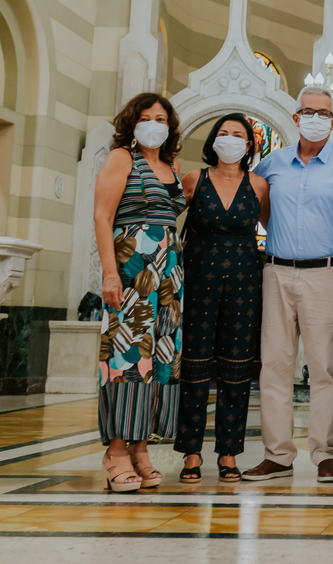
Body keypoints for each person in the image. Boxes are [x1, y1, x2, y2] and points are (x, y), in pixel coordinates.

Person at [241, 86, 333, 484]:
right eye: (308, 111)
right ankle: (278, 455)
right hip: (277, 271)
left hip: (328, 274)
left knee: (324, 368)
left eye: (324, 113)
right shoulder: (272, 164)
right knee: (275, 366)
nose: (316, 117)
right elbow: (259, 207)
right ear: (296, 118)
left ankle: (325, 453)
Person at [93, 93, 187, 492]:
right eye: (146, 117)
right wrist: (110, 273)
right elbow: (102, 215)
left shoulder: (171, 165)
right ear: (132, 122)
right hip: (132, 266)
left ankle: (141, 446)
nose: (154, 123)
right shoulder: (121, 158)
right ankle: (116, 451)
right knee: (128, 355)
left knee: (161, 359)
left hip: (168, 270)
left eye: (161, 118)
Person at [174, 114, 270, 484]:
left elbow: (271, 228)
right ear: (213, 140)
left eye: (238, 135)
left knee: (236, 368)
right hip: (199, 278)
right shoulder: (194, 180)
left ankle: (229, 451)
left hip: (245, 282)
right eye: (224, 133)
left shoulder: (258, 185)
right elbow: (168, 221)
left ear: (248, 145)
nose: (230, 139)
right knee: (196, 366)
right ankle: (192, 450)